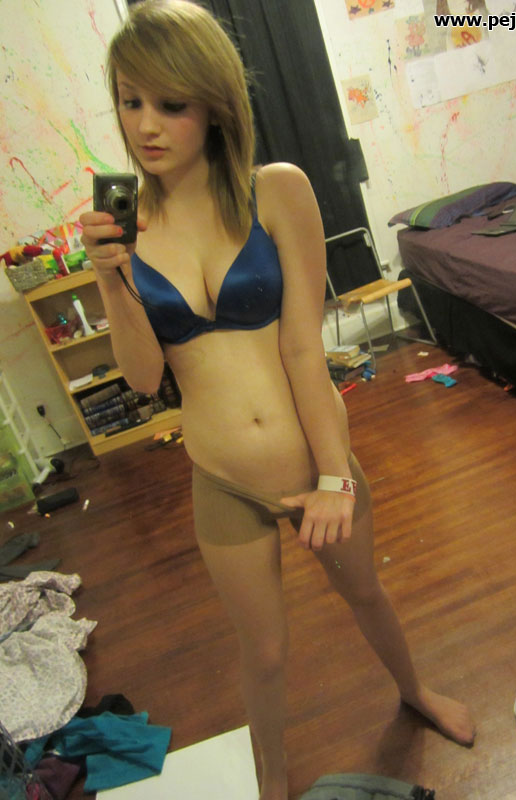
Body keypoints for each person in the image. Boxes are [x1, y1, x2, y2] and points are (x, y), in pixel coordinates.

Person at [80, 2, 475, 798]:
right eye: (130, 101)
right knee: (261, 652)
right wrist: (110, 279)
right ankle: (269, 780)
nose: (146, 125)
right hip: (221, 478)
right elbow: (146, 379)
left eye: (170, 103)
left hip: (311, 459)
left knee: (364, 591)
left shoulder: (276, 192)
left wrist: (334, 477)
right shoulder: (128, 227)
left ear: (213, 102)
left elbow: (302, 350)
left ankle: (415, 690)